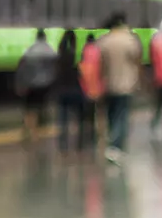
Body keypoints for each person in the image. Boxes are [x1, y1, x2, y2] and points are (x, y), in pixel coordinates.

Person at [96, 12, 143, 164]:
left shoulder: (104, 41)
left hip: (109, 83)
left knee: (111, 114)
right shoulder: (130, 40)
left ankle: (112, 141)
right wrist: (139, 80)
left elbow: (101, 64)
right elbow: (137, 61)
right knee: (122, 116)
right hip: (126, 84)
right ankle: (116, 146)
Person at [14, 29, 57, 141]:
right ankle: (35, 132)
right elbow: (55, 68)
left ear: (36, 37)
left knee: (29, 108)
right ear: (45, 37)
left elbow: (22, 69)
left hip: (31, 84)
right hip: (45, 85)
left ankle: (29, 131)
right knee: (40, 108)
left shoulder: (30, 51)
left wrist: (20, 84)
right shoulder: (50, 50)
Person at [53, 29, 86, 150]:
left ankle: (63, 144)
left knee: (63, 120)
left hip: (62, 91)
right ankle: (80, 143)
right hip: (75, 90)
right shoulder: (76, 57)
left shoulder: (59, 59)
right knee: (80, 119)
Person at [79, 33, 103, 145]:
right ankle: (96, 135)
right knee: (97, 112)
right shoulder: (98, 51)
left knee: (86, 114)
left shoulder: (84, 51)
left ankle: (85, 136)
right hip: (97, 86)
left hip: (86, 87)